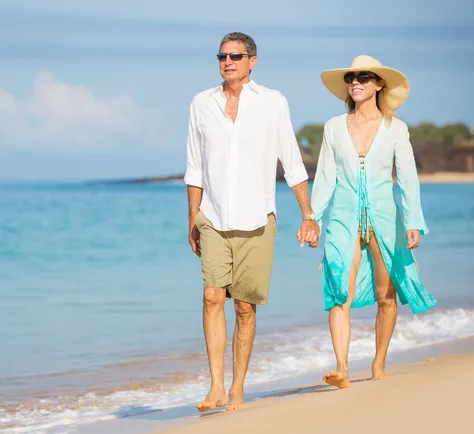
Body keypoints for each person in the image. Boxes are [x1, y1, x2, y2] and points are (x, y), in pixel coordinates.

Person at [184, 32, 319, 411]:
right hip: (212, 217)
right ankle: (215, 387)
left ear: (252, 61)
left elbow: (292, 163)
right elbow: (194, 168)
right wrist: (193, 218)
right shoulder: (201, 103)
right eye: (222, 56)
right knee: (212, 297)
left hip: (257, 219)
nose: (228, 62)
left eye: (236, 56)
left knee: (244, 307)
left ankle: (238, 388)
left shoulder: (273, 103)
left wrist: (308, 215)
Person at [310, 55, 436, 389]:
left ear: (379, 83)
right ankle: (342, 368)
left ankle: (378, 362)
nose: (355, 82)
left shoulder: (397, 128)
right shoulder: (334, 127)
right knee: (338, 289)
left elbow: (408, 178)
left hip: (384, 216)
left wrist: (413, 221)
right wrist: (313, 217)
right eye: (351, 77)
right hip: (342, 216)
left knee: (386, 295)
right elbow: (325, 176)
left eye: (364, 76)